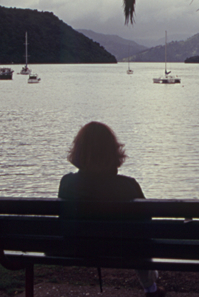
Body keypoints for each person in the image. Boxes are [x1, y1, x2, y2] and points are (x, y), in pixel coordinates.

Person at [58, 121, 165, 297]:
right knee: (139, 237)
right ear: (113, 151)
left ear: (78, 152)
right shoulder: (128, 186)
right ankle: (150, 287)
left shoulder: (67, 183)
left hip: (78, 247)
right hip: (123, 249)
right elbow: (146, 225)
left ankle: (151, 287)